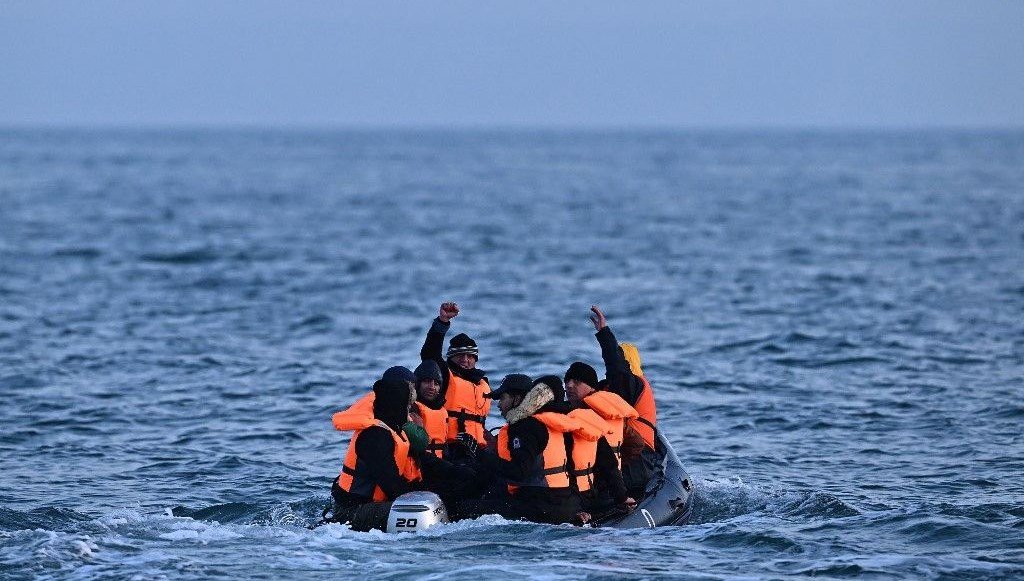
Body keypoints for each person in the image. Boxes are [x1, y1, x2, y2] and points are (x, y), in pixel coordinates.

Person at [453, 374, 587, 525]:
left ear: (517, 399)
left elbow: (519, 472)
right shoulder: (553, 422)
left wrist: (478, 453)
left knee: (463, 508)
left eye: (502, 398)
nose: (498, 405)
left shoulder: (525, 426)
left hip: (539, 506)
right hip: (563, 503)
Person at [326, 377, 424, 531]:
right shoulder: (376, 436)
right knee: (418, 513)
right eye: (407, 405)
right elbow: (391, 485)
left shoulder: (392, 429)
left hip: (368, 504)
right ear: (397, 405)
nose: (409, 411)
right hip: (352, 511)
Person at [536, 374, 635, 517]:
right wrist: (622, 497)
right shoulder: (584, 420)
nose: (570, 386)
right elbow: (610, 464)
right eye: (567, 382)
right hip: (590, 497)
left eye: (576, 381)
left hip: (564, 503)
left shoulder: (536, 426)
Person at [420, 302, 491, 447]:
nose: (465, 360)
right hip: (450, 446)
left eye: (469, 356)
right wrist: (442, 322)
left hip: (477, 447)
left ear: (475, 359)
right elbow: (430, 353)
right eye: (459, 355)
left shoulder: (483, 383)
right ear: (451, 358)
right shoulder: (445, 376)